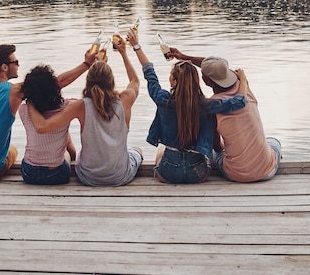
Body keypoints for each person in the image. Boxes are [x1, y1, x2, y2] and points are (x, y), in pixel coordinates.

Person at [0, 44, 92, 182]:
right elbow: (55, 83)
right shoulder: (15, 92)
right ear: (4, 67)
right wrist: (87, 64)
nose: (18, 65)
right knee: (12, 149)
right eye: (16, 62)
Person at [127, 30, 248, 184]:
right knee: (208, 154)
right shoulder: (206, 105)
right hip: (197, 173)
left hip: (168, 172)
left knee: (161, 151)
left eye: (171, 77)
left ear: (174, 82)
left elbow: (149, 72)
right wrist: (242, 79)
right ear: (195, 81)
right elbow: (240, 101)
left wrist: (136, 45)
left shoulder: (162, 99)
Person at [28, 36, 143, 187]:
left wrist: (30, 101)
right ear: (112, 81)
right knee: (137, 149)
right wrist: (123, 53)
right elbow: (135, 81)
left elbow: (42, 126)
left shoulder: (80, 106)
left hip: (89, 177)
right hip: (119, 176)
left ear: (88, 81)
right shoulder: (125, 99)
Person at [169, 48, 282, 182]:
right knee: (273, 141)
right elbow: (217, 68)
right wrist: (183, 56)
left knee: (214, 152)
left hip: (236, 174)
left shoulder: (210, 107)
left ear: (206, 80)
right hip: (267, 171)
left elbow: (217, 146)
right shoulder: (244, 87)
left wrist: (183, 57)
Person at [19, 63, 79, 185]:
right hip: (57, 175)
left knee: (61, 135)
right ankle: (73, 157)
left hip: (28, 173)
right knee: (65, 141)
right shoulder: (68, 107)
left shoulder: (23, 109)